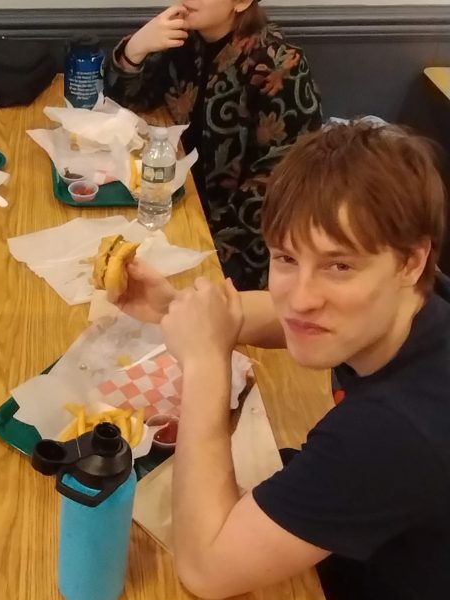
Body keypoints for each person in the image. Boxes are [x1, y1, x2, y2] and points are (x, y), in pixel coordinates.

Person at [115, 122, 449, 600]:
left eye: (340, 266)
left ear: (410, 262)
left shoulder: (395, 430)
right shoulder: (417, 302)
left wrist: (205, 363)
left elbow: (205, 570)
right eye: (287, 258)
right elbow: (287, 315)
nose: (303, 299)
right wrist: (176, 308)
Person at [104, 0, 323, 290]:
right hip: (176, 209)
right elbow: (129, 101)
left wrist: (200, 236)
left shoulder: (279, 64)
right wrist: (135, 50)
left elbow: (283, 181)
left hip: (242, 247)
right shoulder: (183, 42)